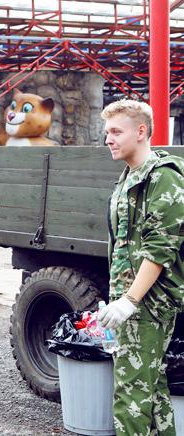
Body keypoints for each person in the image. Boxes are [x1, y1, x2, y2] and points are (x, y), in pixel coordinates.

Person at [98, 99, 184, 435]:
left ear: (141, 132)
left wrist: (130, 301)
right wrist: (119, 297)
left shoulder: (162, 178)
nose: (109, 139)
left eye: (116, 131)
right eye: (107, 132)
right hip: (131, 300)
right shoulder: (129, 176)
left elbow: (160, 249)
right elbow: (124, 245)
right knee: (153, 390)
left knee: (130, 395)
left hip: (148, 303)